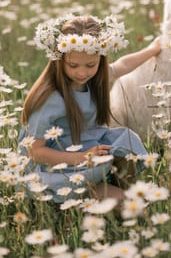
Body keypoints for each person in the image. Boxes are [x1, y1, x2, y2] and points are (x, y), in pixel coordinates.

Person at [18, 14, 161, 203]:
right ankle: (82, 201)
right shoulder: (49, 99)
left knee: (126, 140)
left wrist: (154, 49)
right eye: (73, 65)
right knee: (131, 207)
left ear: (100, 60)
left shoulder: (95, 80)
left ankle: (114, 187)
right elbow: (34, 152)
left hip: (88, 146)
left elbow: (122, 66)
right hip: (59, 165)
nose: (82, 72)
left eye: (91, 65)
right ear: (58, 59)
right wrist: (81, 158)